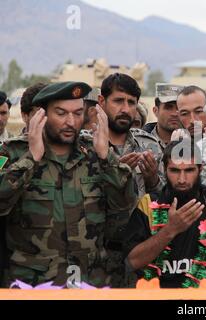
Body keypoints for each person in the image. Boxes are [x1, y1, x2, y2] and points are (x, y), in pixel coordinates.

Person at [0, 81, 136, 287]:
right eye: (61, 113)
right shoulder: (13, 153)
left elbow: (125, 205)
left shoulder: (96, 152)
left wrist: (106, 158)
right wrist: (31, 160)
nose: (71, 122)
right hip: (33, 283)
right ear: (42, 115)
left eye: (77, 113)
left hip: (90, 281)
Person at [123, 139, 206, 287]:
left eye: (189, 170)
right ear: (164, 169)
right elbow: (132, 262)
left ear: (201, 169)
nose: (182, 179)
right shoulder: (149, 204)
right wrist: (170, 230)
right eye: (175, 170)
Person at [97, 73, 161, 287]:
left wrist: (152, 180)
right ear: (101, 102)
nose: (125, 109)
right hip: (98, 252)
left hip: (143, 250)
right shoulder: (86, 145)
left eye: (131, 102)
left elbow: (164, 197)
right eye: (118, 101)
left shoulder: (149, 146)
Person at [143, 83, 184, 156]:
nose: (175, 113)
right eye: (168, 108)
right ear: (155, 111)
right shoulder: (139, 140)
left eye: (179, 108)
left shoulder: (194, 143)